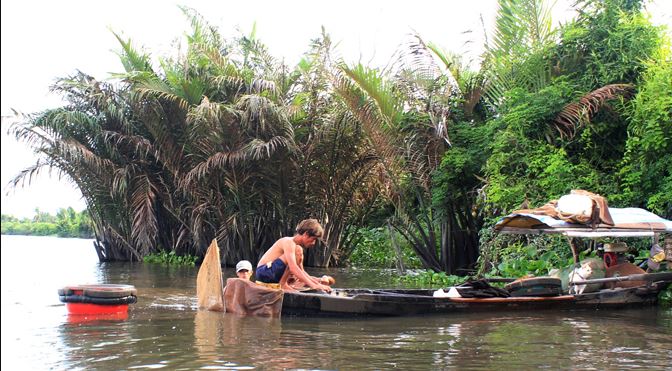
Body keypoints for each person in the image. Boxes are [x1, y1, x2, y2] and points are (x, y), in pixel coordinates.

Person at [256, 219, 332, 293]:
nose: (313, 243)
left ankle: (284, 284)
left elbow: (301, 271)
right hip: (264, 272)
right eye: (313, 239)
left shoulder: (297, 248)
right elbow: (293, 268)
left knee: (298, 250)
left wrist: (317, 284)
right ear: (306, 234)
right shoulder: (288, 242)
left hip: (273, 274)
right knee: (296, 252)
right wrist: (313, 285)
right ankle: (283, 284)